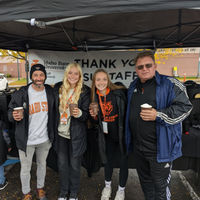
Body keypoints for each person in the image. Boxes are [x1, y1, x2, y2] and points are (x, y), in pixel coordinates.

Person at [125, 51, 193, 200]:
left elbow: (185, 107)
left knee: (160, 188)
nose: (144, 69)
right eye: (140, 66)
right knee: (146, 184)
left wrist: (158, 115)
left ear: (155, 66)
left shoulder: (170, 84)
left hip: (161, 149)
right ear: (136, 69)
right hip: (139, 148)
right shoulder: (132, 86)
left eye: (148, 65)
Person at [8, 64, 55, 200]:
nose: (39, 78)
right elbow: (10, 112)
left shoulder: (50, 93)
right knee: (25, 169)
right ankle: (26, 193)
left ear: (45, 76)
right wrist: (13, 116)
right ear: (31, 77)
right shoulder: (21, 93)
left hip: (44, 139)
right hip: (26, 140)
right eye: (36, 75)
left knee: (42, 166)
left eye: (41, 75)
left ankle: (40, 189)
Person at [90, 69, 128, 200]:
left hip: (121, 135)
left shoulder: (117, 93)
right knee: (108, 162)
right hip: (107, 136)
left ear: (108, 80)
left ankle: (121, 190)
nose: (101, 82)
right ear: (94, 82)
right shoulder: (93, 97)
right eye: (98, 79)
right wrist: (94, 118)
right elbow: (95, 122)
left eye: (104, 79)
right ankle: (107, 187)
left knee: (123, 163)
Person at [53, 63, 90, 200]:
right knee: (62, 165)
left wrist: (79, 113)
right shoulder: (58, 88)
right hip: (60, 134)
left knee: (75, 166)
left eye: (76, 73)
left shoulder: (84, 91)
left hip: (77, 136)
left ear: (79, 76)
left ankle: (73, 193)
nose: (73, 76)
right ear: (66, 74)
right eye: (70, 73)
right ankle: (63, 192)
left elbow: (87, 115)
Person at [0, 120, 11, 190]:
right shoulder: (1, 123)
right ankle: (1, 183)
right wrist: (9, 145)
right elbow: (5, 136)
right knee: (0, 166)